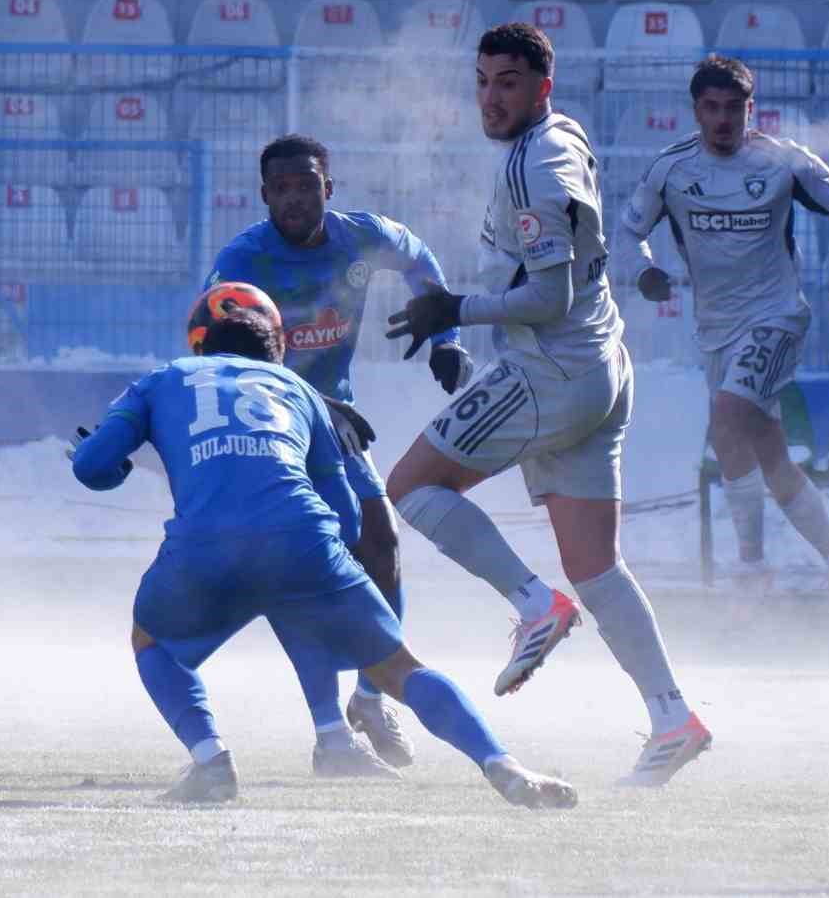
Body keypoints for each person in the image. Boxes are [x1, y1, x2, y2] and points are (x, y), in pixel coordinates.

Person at [67, 298, 574, 809]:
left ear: (202, 343)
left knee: (150, 641)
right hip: (302, 537)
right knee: (402, 669)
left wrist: (118, 471)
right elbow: (348, 516)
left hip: (205, 545)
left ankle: (210, 759)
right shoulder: (301, 391)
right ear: (278, 356)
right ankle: (501, 764)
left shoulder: (164, 378)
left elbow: (91, 466)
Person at [381, 22, 710, 787]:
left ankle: (533, 604)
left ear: (542, 87)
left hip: (551, 374)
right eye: (484, 80)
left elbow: (547, 294)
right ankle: (672, 718)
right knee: (598, 566)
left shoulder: (536, 166)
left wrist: (454, 310)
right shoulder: (563, 136)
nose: (492, 97)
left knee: (410, 486)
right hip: (601, 366)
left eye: (509, 83)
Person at [208, 134, 475, 776]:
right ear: (265, 195)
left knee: (381, 543)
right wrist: (315, 402)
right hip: (267, 431)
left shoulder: (360, 237)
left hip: (337, 425)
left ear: (330, 187)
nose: (296, 197)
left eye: (308, 183)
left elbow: (421, 261)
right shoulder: (244, 259)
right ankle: (329, 736)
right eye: (282, 187)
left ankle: (370, 699)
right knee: (306, 571)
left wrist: (446, 334)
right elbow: (219, 354)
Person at [612, 55, 829, 621]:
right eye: (712, 108)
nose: (723, 119)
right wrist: (644, 270)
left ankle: (751, 570)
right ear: (696, 111)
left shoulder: (781, 162)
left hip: (777, 317)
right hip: (717, 331)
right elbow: (627, 232)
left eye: (734, 108)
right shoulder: (671, 169)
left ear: (750, 109)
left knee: (728, 418)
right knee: (765, 456)